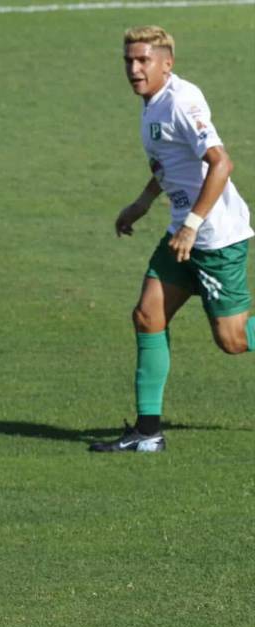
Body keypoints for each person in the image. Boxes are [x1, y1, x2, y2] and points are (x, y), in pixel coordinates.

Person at [93, 26, 253, 453]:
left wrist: (193, 224)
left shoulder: (182, 100)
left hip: (215, 237)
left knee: (233, 340)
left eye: (143, 60)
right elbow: (170, 162)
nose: (133, 68)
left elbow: (221, 164)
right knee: (147, 316)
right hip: (183, 233)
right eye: (129, 60)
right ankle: (148, 433)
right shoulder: (151, 105)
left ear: (167, 63)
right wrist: (144, 201)